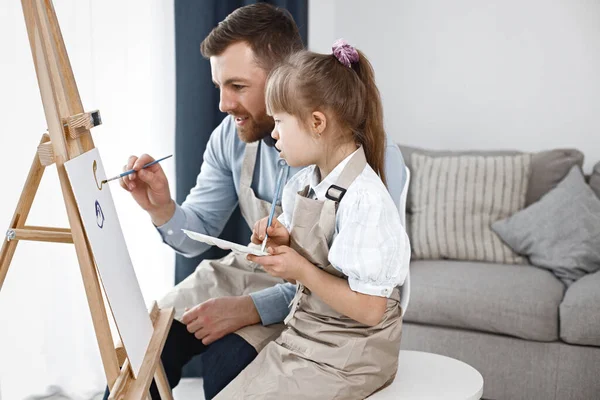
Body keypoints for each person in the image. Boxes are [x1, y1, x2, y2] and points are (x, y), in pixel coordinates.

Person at [106, 4, 407, 400]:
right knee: (145, 343)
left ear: (284, 76)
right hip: (265, 272)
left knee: (225, 368)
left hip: (316, 299)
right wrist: (161, 207)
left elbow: (368, 289)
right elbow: (198, 237)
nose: (223, 104)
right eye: (219, 87)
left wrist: (251, 307)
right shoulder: (231, 139)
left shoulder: (367, 169)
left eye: (238, 86)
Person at [215, 41, 410, 399]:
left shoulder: (366, 199)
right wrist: (283, 245)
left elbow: (370, 311)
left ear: (316, 122)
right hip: (309, 333)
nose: (273, 133)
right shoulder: (303, 184)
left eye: (279, 122)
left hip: (353, 353)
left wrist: (300, 269)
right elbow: (312, 265)